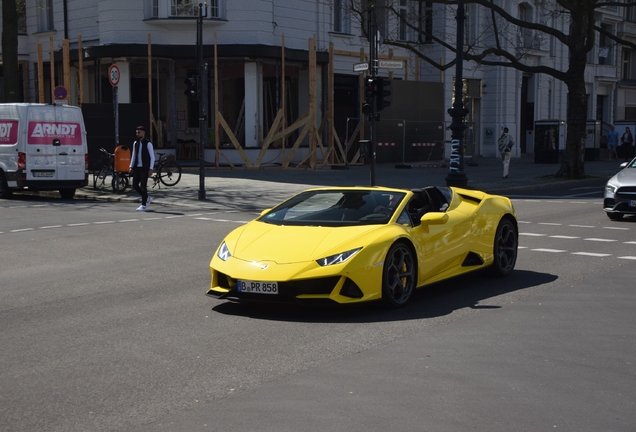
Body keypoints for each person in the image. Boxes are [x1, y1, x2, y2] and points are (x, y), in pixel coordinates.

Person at [129, 126, 155, 211]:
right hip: (137, 167)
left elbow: (152, 157)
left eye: (139, 132)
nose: (137, 134)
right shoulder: (135, 143)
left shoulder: (148, 144)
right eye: (136, 132)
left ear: (143, 133)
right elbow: (134, 155)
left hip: (145, 168)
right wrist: (131, 166)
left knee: (143, 186)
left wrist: (150, 169)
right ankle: (147, 198)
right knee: (135, 185)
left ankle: (144, 205)